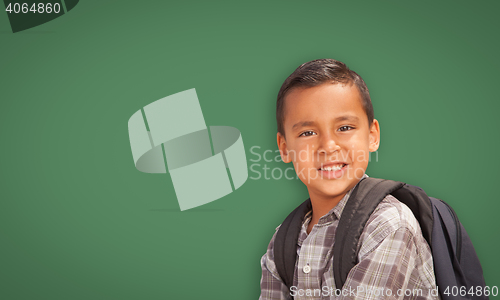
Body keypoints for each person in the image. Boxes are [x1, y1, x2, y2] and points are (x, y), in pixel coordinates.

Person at [259, 59, 439, 299]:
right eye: (308, 133)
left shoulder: (388, 224)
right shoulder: (282, 244)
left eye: (344, 127)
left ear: (372, 135)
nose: (328, 146)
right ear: (284, 148)